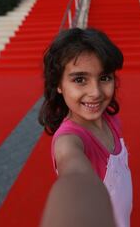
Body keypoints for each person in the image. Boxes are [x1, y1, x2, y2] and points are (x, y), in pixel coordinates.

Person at [39, 28, 133, 227]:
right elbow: (74, 171)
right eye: (80, 80)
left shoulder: (110, 118)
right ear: (58, 84)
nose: (95, 92)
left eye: (104, 78)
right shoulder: (69, 141)